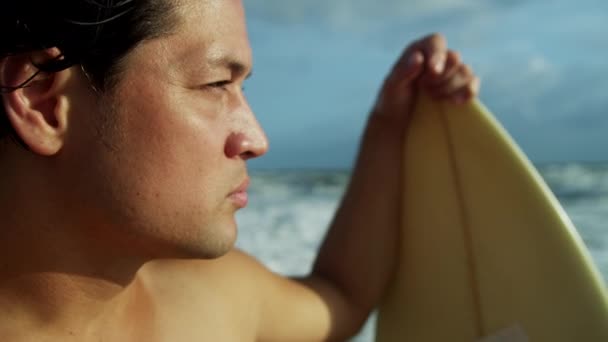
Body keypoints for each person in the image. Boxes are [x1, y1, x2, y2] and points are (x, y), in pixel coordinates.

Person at [0, 0, 479, 341]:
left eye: (243, 88)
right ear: (45, 105)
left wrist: (390, 122)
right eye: (215, 84)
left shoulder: (207, 301)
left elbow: (341, 301)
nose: (256, 139)